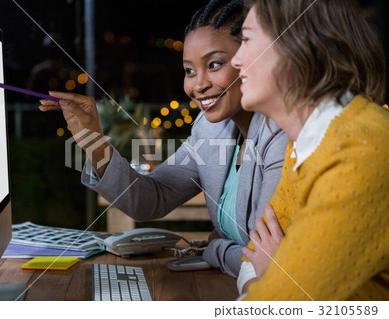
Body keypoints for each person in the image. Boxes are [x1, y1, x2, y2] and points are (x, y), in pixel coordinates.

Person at [39, 0, 288, 278]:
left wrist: (214, 248)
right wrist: (93, 141)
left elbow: (265, 262)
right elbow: (150, 200)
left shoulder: (281, 136)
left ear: (250, 59)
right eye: (190, 70)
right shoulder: (209, 129)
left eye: (214, 64)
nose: (198, 85)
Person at [230, 0, 389, 300]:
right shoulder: (303, 147)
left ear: (295, 45)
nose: (236, 60)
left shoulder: (357, 150)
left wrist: (275, 273)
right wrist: (268, 276)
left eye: (247, 40)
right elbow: (254, 252)